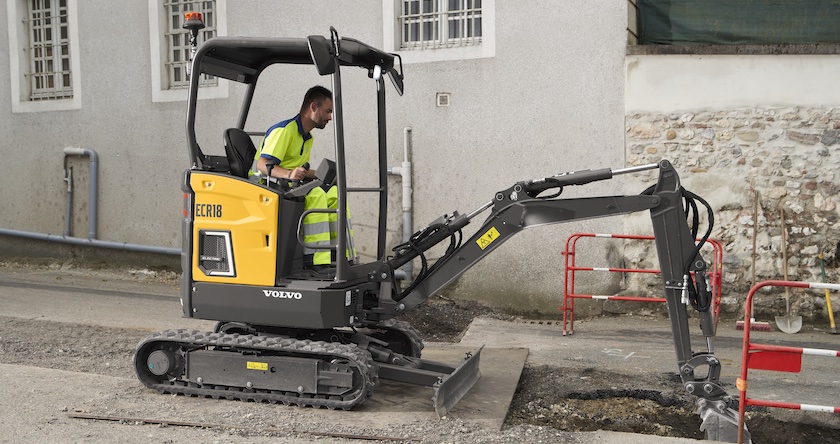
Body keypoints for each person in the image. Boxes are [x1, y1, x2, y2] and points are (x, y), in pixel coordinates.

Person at [249, 86, 355, 269]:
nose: (330, 117)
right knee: (317, 196)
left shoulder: (307, 137)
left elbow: (299, 171)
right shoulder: (284, 131)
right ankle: (314, 259)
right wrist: (289, 174)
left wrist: (325, 175)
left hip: (287, 184)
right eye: (328, 111)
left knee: (335, 194)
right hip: (265, 187)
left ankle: (340, 256)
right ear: (313, 106)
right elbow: (262, 164)